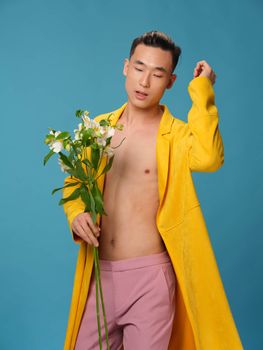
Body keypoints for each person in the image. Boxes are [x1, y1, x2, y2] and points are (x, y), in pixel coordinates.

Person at [62, 31, 244, 350]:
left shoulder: (175, 135)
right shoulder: (97, 130)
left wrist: (203, 89)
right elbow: (75, 183)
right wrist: (76, 214)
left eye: (157, 74)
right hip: (99, 275)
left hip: (150, 280)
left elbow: (210, 157)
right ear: (126, 67)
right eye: (139, 68)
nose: (145, 82)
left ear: (171, 81)